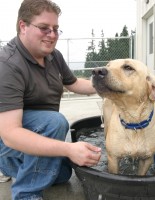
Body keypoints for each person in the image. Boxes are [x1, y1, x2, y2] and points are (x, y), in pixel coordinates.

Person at [0, 0, 101, 199]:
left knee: (63, 174)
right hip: (8, 146)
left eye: (55, 29)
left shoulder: (54, 56)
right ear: (23, 26)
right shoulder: (8, 65)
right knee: (54, 121)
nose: (52, 35)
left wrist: (106, 86)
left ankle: (21, 169)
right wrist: (68, 149)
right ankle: (25, 193)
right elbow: (10, 133)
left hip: (39, 134)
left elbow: (74, 84)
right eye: (44, 28)